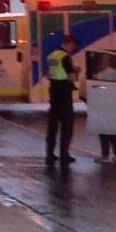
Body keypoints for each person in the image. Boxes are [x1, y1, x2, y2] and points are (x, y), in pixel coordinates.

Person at [45, 34, 80, 167]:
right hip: (64, 96)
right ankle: (64, 155)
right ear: (69, 44)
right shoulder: (65, 57)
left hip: (54, 94)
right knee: (66, 127)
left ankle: (49, 154)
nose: (73, 49)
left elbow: (49, 74)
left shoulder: (51, 55)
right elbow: (72, 78)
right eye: (73, 47)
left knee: (52, 127)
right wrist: (77, 72)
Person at [90, 57, 116, 162]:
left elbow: (96, 88)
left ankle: (105, 155)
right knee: (114, 130)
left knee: (104, 131)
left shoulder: (101, 75)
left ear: (104, 62)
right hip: (115, 105)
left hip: (103, 105)